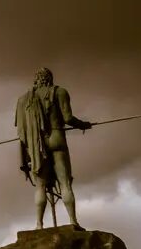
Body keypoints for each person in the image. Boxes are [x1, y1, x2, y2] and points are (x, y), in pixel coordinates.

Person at [15, 67, 92, 229]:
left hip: (36, 145)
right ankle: (73, 221)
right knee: (65, 183)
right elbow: (68, 118)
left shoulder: (23, 100)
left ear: (36, 80)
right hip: (57, 139)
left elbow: (21, 131)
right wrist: (83, 124)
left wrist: (28, 150)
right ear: (50, 78)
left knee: (40, 187)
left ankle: (39, 224)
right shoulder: (60, 92)